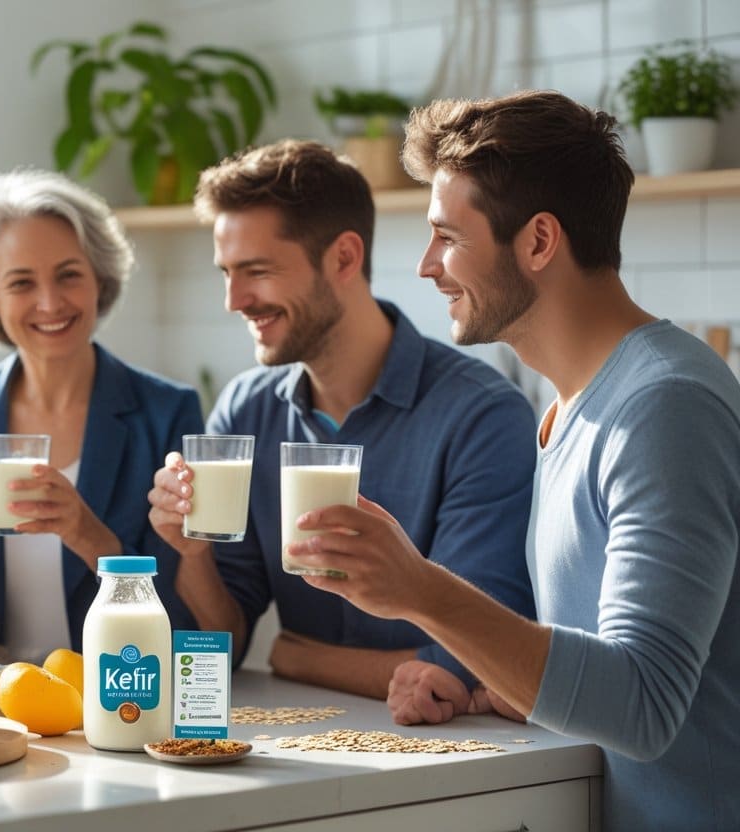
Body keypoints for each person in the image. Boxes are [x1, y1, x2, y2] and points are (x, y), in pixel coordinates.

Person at [289, 90, 740, 831]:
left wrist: (421, 591)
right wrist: (484, 684)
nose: (428, 266)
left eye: (446, 236)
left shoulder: (665, 406)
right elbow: (594, 669)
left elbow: (645, 706)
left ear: (537, 242)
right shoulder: (570, 406)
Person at [147, 139, 536, 701]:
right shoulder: (245, 412)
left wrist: (296, 656)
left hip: (450, 761)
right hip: (296, 749)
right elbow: (219, 644)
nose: (235, 300)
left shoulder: (481, 416)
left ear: (344, 259)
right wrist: (193, 553)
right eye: (226, 273)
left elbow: (467, 660)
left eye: (256, 271)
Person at [0, 169, 202, 662]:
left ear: (99, 276)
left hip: (120, 693)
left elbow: (183, 619)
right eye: (21, 282)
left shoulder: (166, 413)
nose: (50, 303)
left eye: (69, 274)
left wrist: (87, 535)